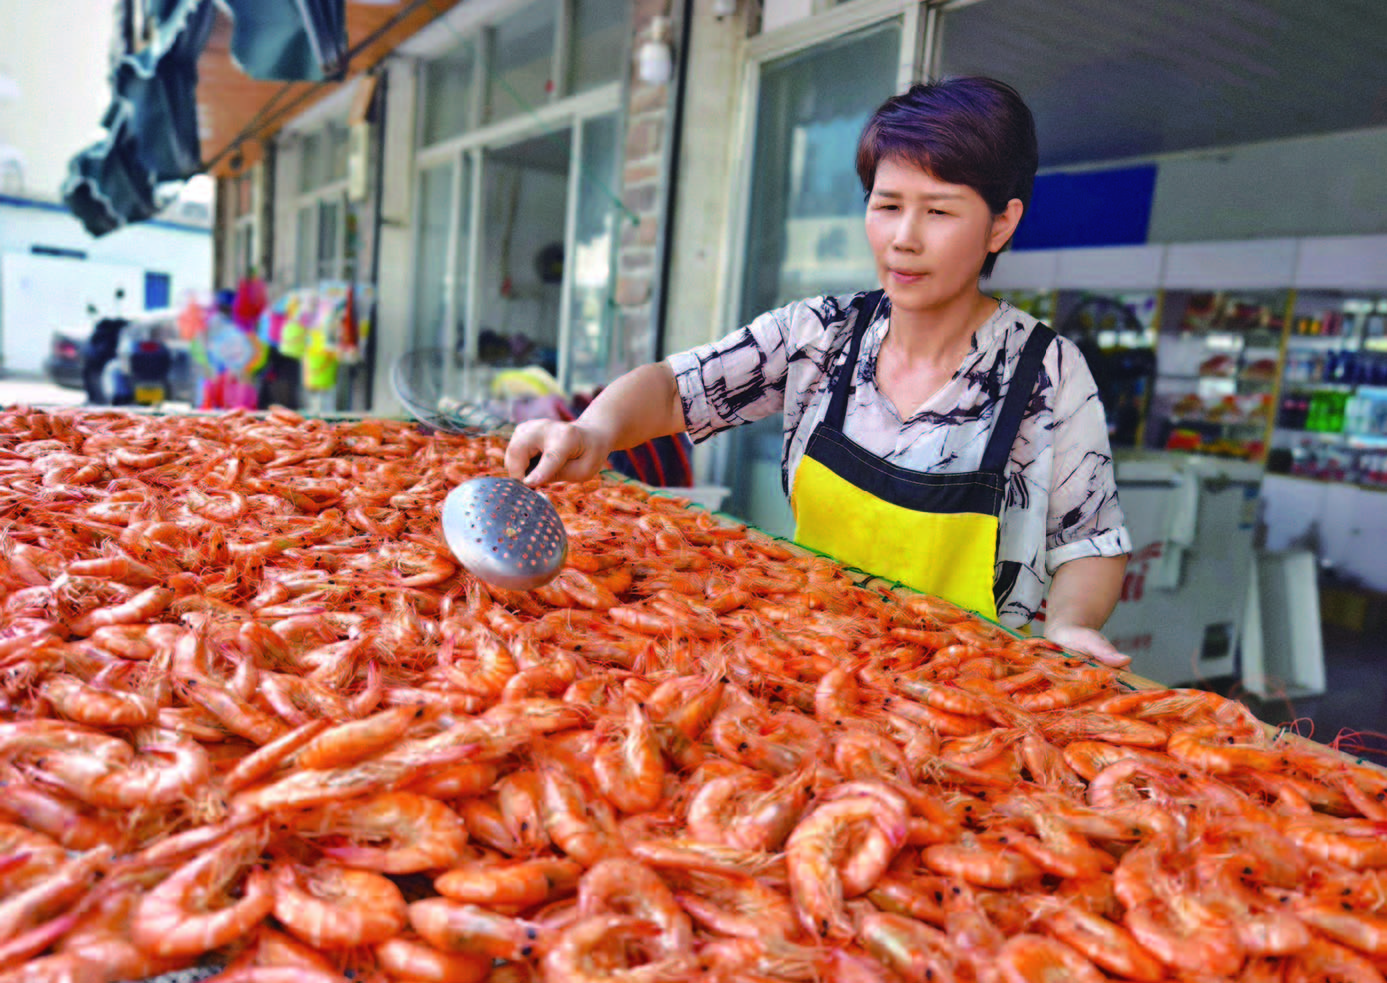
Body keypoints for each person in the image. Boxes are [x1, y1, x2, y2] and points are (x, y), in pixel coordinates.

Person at [505, 76, 1133, 667]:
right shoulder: (821, 334)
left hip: (967, 689)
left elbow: (1089, 543)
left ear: (1001, 224)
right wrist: (594, 430)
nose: (903, 238)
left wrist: (1070, 624)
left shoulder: (1047, 373)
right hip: (811, 661)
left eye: (939, 212)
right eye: (887, 205)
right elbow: (675, 391)